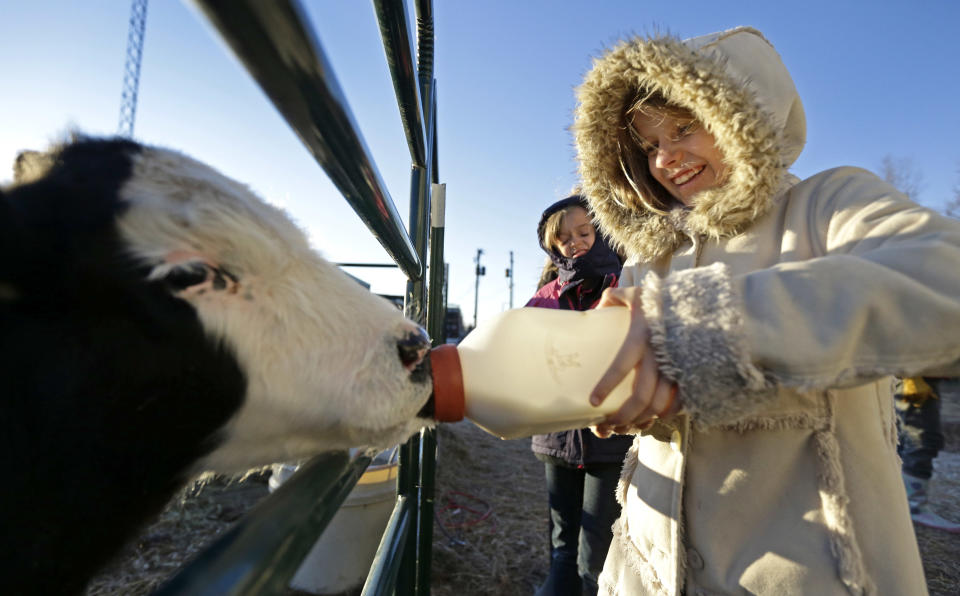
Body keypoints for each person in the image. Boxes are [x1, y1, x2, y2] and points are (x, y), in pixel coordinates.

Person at [569, 26, 960, 594]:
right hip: (646, 570)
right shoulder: (647, 261)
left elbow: (945, 277)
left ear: (744, 117)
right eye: (649, 146)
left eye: (683, 128)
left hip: (817, 575)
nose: (666, 157)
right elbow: (615, 382)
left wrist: (700, 325)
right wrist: (610, 393)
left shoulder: (826, 205)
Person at [526, 194, 633, 596]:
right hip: (556, 436)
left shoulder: (626, 281)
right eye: (563, 240)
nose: (575, 243)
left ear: (603, 230)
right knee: (562, 542)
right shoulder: (546, 294)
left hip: (609, 439)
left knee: (595, 554)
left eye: (584, 232)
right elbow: (526, 352)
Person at [896, 377, 960, 533]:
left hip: (915, 373)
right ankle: (914, 507)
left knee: (908, 434)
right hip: (913, 375)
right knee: (921, 436)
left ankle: (902, 501)